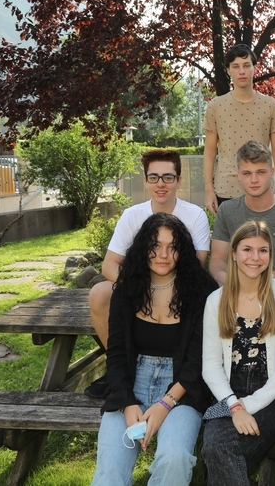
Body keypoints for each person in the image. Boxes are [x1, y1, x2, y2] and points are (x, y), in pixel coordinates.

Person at [91, 213, 217, 486]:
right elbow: (115, 354)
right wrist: (127, 402)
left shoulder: (202, 291)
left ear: (183, 251)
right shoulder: (126, 290)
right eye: (155, 246)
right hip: (131, 385)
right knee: (109, 474)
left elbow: (198, 360)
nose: (163, 255)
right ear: (143, 248)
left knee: (174, 459)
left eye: (172, 247)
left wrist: (165, 404)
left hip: (182, 389)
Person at [85, 149, 210, 399]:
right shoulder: (132, 215)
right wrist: (143, 287)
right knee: (99, 292)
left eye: (168, 177)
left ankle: (182, 370)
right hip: (141, 285)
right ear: (145, 180)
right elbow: (109, 266)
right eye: (154, 177)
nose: (160, 184)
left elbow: (196, 267)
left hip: (179, 288)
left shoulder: (195, 215)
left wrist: (162, 288)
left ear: (179, 180)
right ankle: (119, 368)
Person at [201, 220, 275, 485]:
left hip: (273, 395)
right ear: (234, 254)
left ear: (270, 255)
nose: (255, 257)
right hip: (228, 393)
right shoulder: (216, 301)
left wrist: (250, 405)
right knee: (216, 448)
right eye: (247, 249)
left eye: (263, 250)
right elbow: (211, 366)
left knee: (221, 452)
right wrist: (235, 406)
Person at [209, 141, 275, 289]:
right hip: (235, 289)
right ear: (238, 175)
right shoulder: (226, 211)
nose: (254, 180)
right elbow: (217, 259)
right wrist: (226, 279)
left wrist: (261, 279)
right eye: (247, 173)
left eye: (261, 172)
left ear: (272, 173)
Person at [203, 43, 275, 212]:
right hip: (226, 189)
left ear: (255, 68)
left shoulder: (271, 105)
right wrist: (208, 190)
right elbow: (210, 150)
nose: (242, 71)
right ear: (228, 70)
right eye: (235, 66)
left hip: (263, 188)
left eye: (247, 65)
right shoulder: (215, 106)